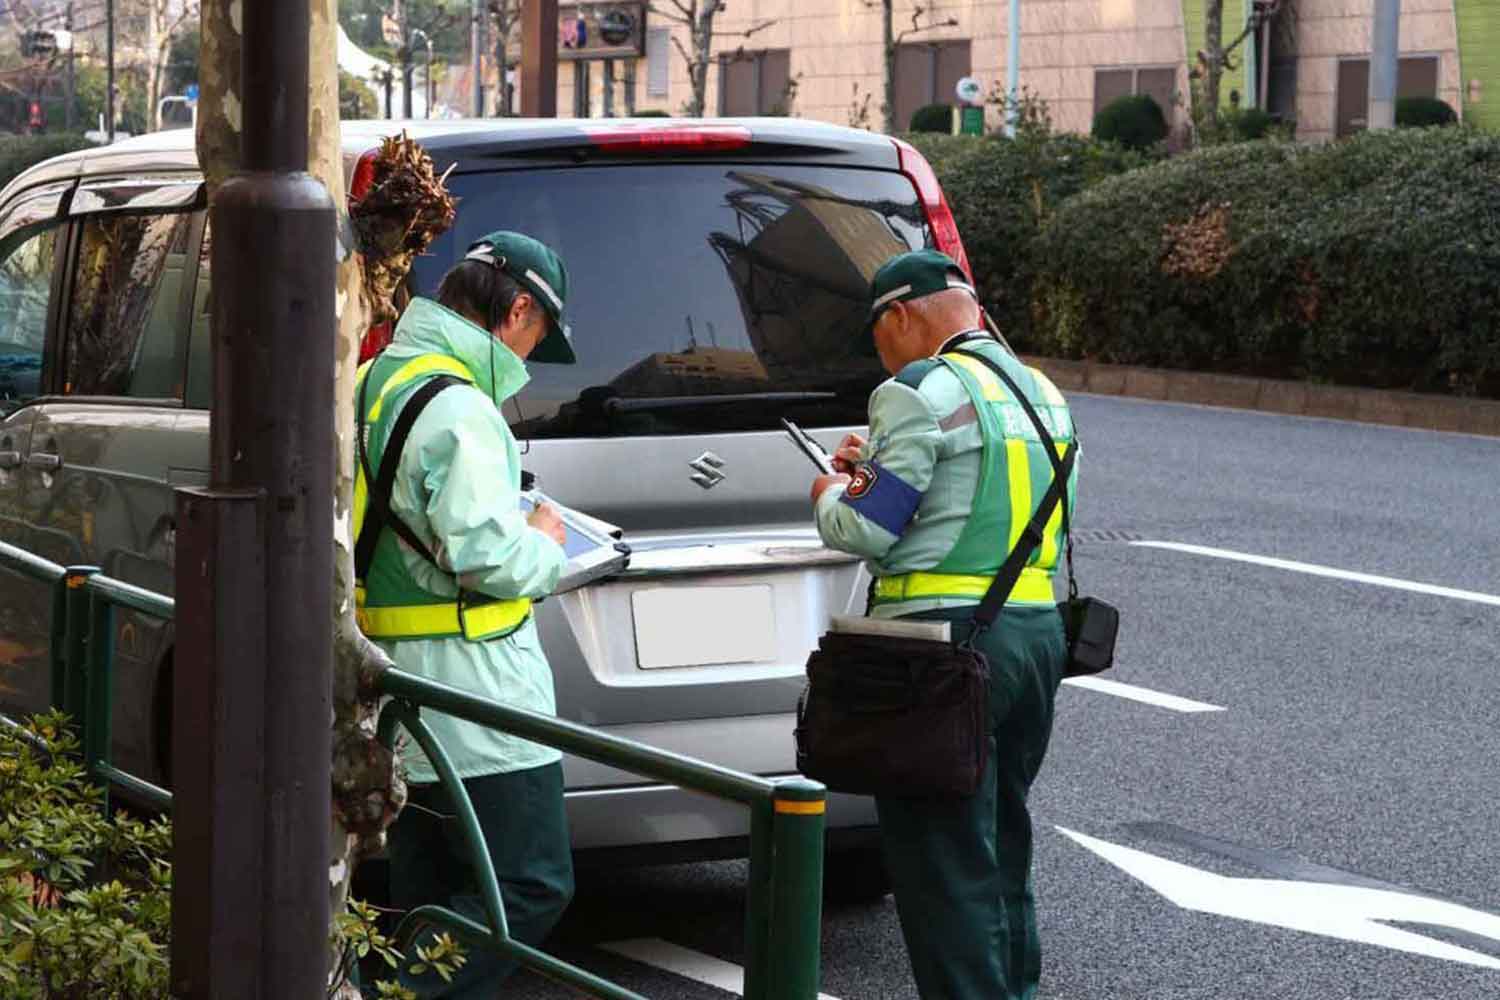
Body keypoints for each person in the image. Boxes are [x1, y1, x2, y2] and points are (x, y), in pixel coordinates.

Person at [809, 249, 1078, 1000]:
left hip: (941, 652)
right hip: (1033, 635)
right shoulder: (1042, 390)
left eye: (877, 334)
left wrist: (831, 487)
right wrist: (875, 468)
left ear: (899, 316)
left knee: (942, 866)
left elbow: (865, 528)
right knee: (1000, 849)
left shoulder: (918, 389)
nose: (881, 354)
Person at [354, 230, 578, 997]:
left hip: (401, 690)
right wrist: (547, 545)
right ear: (518, 308)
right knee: (528, 884)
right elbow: (487, 554)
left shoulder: (376, 379)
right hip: (482, 701)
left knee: (427, 889)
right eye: (536, 337)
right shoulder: (461, 408)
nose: (527, 360)